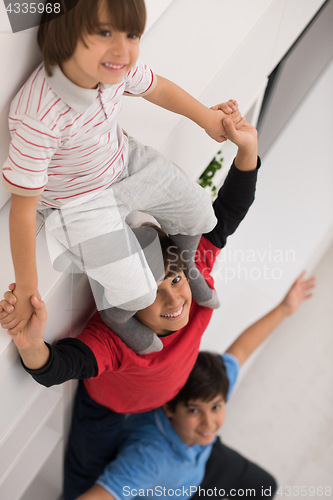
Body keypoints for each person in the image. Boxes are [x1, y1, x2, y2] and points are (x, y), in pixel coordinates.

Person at [1, 117, 259, 500]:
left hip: (160, 403)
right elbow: (58, 367)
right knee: (82, 481)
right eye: (150, 294)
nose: (173, 299)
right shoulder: (113, 339)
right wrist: (29, 343)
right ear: (124, 304)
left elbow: (228, 214)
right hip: (106, 410)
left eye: (174, 281)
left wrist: (247, 148)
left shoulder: (192, 272)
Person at [1, 0, 244, 355]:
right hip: (76, 207)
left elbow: (157, 87)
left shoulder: (115, 68)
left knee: (200, 213)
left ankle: (186, 265)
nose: (124, 49)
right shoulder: (40, 114)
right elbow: (22, 211)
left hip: (124, 162)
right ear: (65, 35)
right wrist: (26, 289)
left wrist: (206, 118)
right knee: (139, 291)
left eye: (132, 35)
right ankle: (118, 316)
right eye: (105, 33)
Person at [75, 272, 315, 500]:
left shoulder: (211, 390)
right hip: (175, 485)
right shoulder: (148, 457)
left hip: (199, 460)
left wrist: (285, 308)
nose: (209, 422)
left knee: (264, 485)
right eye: (193, 411)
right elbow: (104, 494)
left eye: (216, 408)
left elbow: (241, 349)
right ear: (169, 408)